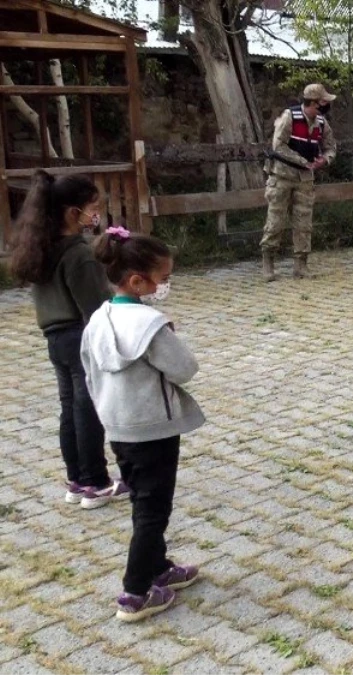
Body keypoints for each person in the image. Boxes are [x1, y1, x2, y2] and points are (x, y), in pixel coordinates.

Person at [83, 228, 206, 622]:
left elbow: (87, 372)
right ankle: (135, 592)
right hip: (153, 427)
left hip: (118, 426)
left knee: (142, 500)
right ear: (137, 281)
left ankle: (158, 567)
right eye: (163, 279)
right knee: (153, 510)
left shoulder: (99, 318)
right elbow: (185, 369)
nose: (164, 286)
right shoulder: (150, 324)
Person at [6, 171, 126, 508]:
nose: (96, 215)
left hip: (54, 339)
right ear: (74, 213)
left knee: (69, 409)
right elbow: (98, 307)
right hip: (78, 337)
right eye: (93, 208)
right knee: (88, 409)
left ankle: (76, 479)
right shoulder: (77, 253)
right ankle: (97, 482)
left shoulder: (40, 249)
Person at [260, 83, 337, 281]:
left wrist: (325, 159)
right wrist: (303, 162)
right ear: (313, 102)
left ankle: (300, 266)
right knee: (276, 220)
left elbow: (330, 147)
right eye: (323, 102)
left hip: (305, 179)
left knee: (304, 222)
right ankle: (268, 264)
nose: (326, 106)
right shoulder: (290, 117)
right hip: (282, 176)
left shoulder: (321, 122)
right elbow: (278, 146)